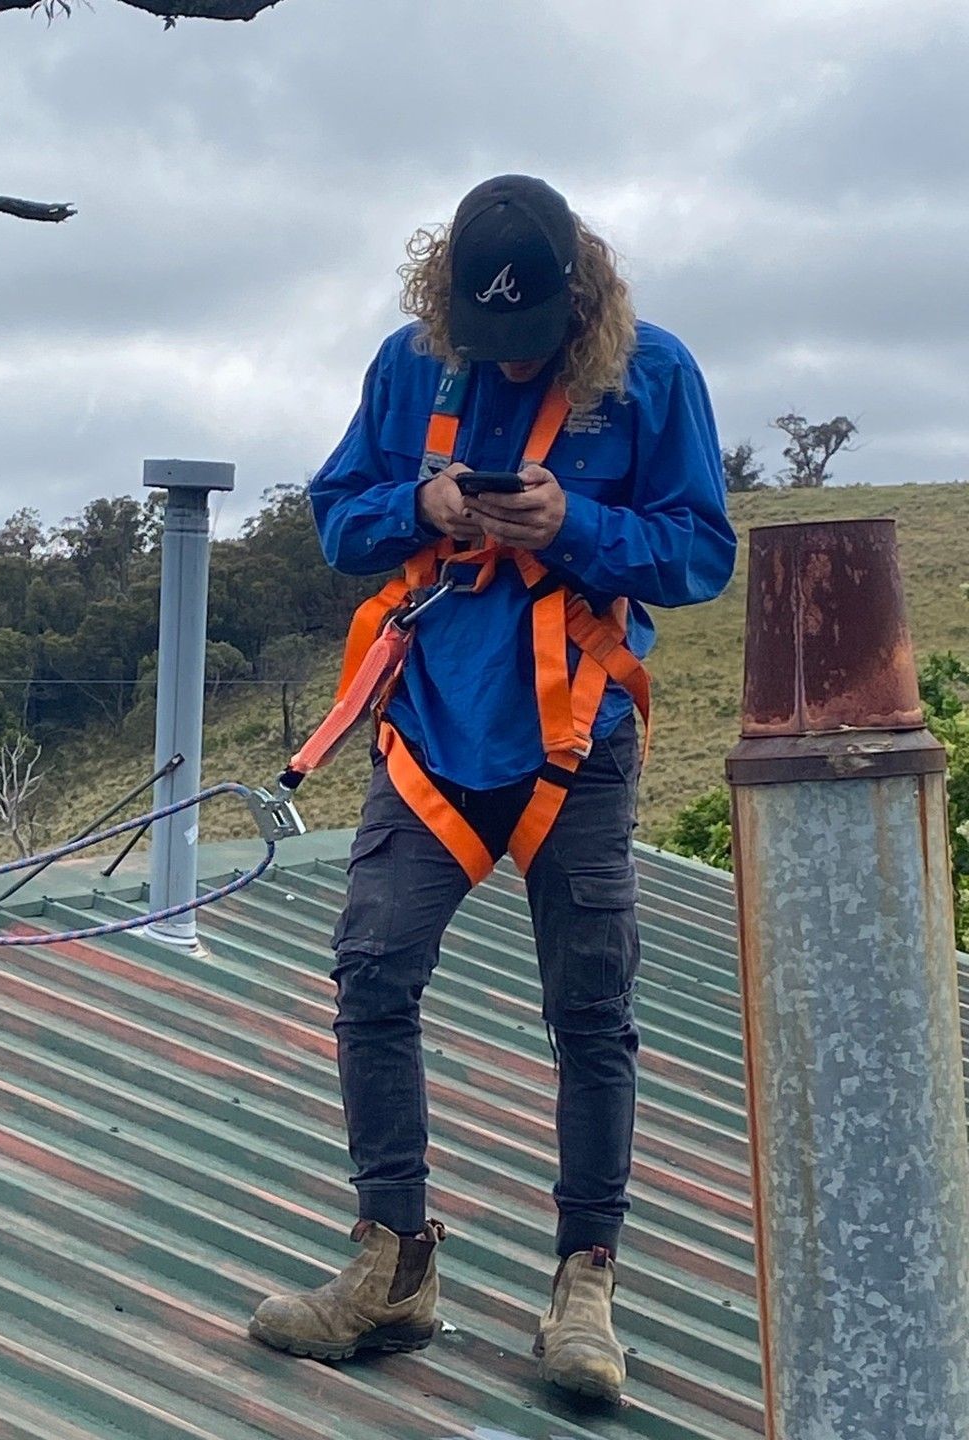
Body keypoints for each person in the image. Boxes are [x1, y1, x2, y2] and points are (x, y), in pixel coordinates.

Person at [247, 175, 736, 1402]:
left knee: (589, 1007)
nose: (505, 362)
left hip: (575, 736)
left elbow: (700, 551)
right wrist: (421, 499)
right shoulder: (414, 366)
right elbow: (335, 516)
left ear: (579, 301)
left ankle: (585, 1287)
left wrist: (572, 524)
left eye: (527, 342)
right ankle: (393, 1266)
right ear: (448, 299)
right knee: (372, 967)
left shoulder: (652, 375)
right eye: (486, 337)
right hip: (430, 727)